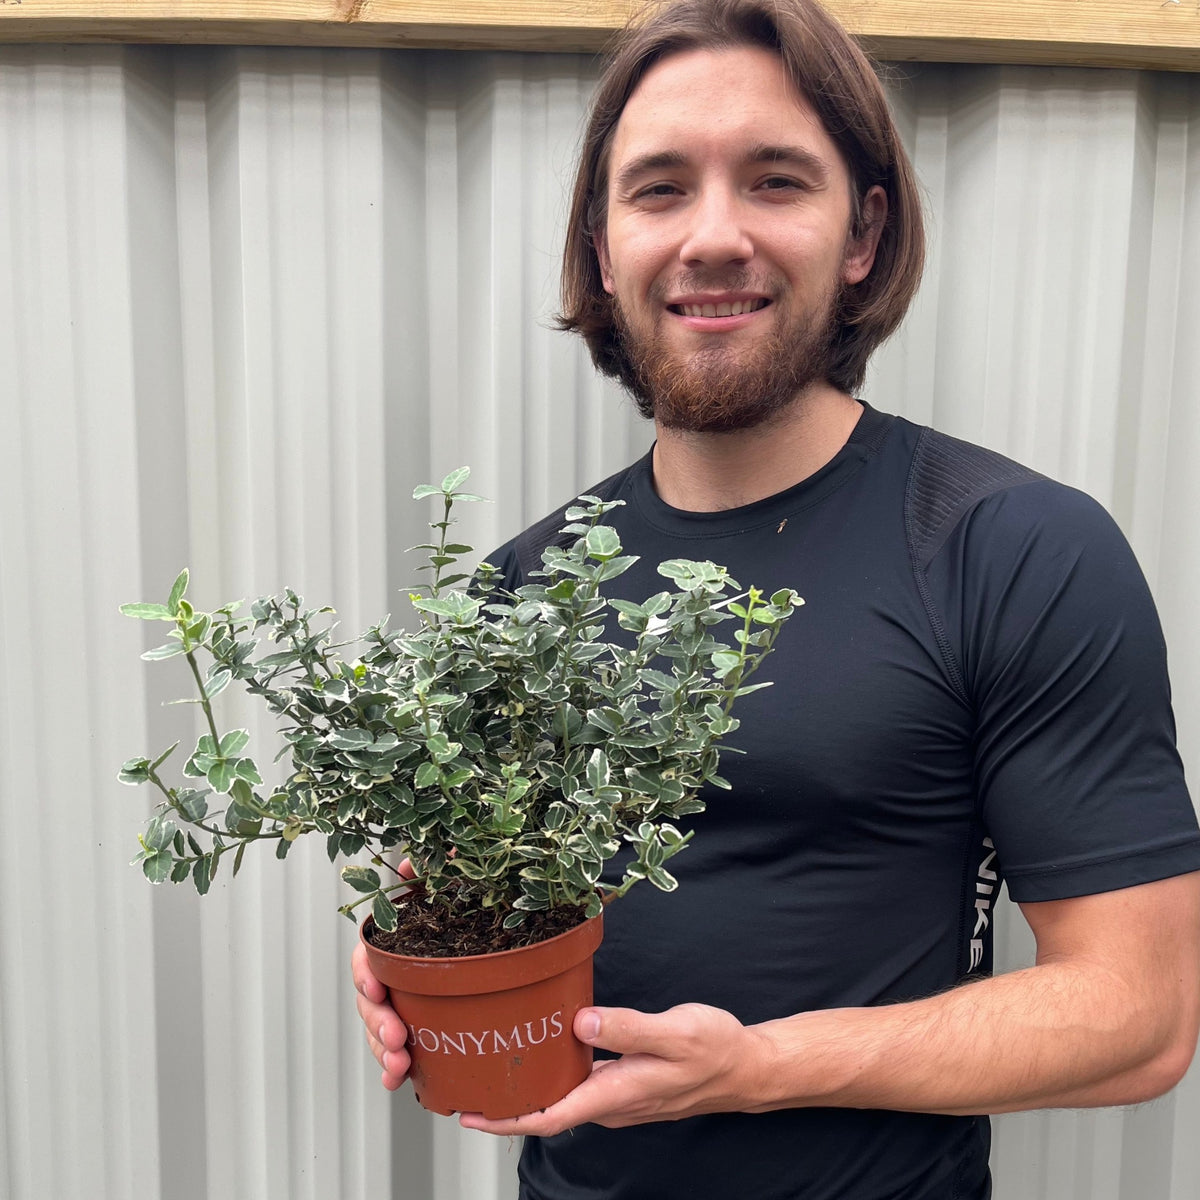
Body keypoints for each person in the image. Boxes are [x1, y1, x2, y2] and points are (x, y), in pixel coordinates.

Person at [353, 1, 1200, 1196]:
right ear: (603, 249)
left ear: (862, 235)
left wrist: (756, 1066)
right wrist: (415, 953)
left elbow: (1140, 1017)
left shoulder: (1012, 550)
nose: (712, 237)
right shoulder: (518, 595)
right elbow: (482, 902)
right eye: (658, 190)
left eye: (773, 181)